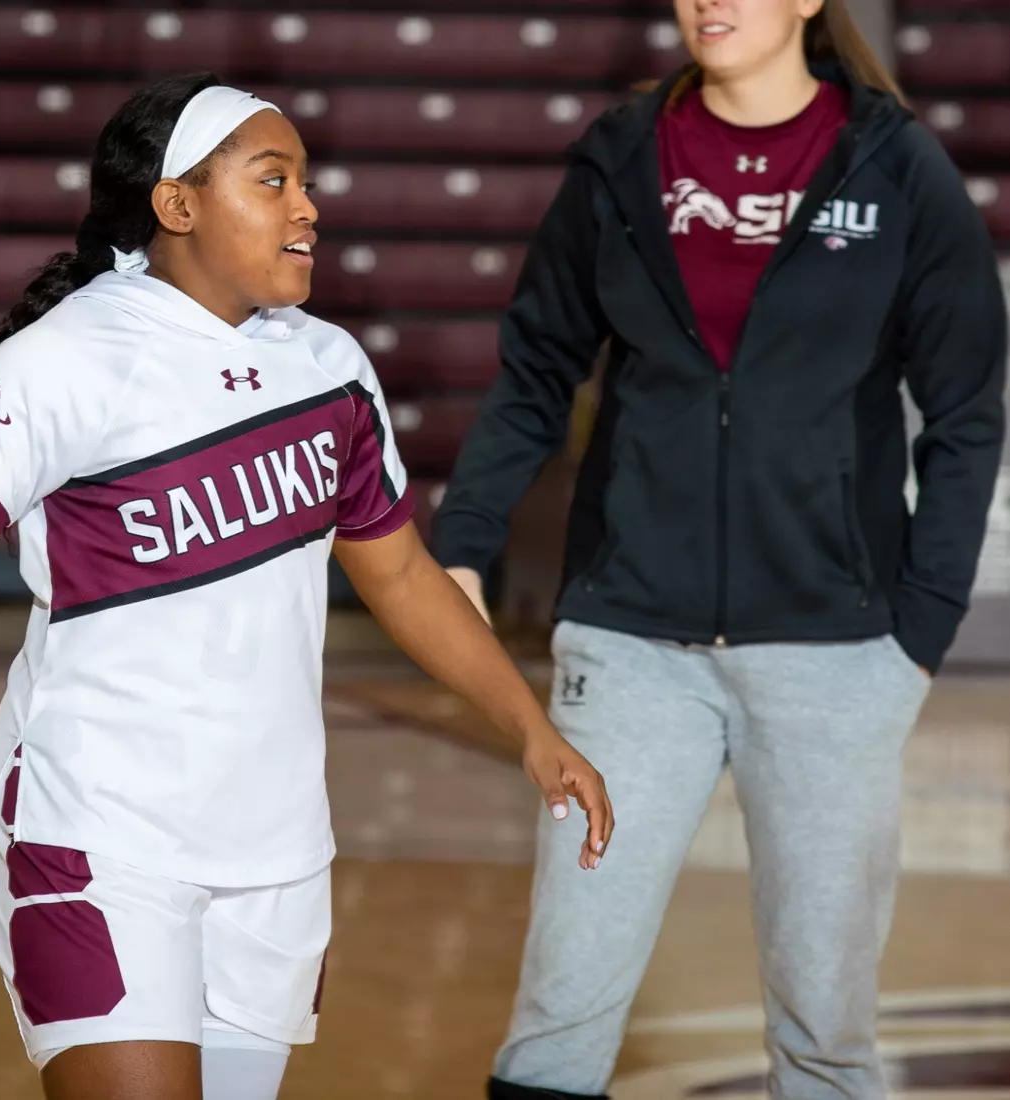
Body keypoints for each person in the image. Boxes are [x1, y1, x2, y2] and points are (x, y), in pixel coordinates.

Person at [0, 73, 614, 1100]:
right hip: (97, 832)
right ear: (176, 205)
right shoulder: (61, 361)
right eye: (272, 181)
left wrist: (526, 726)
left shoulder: (329, 367)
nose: (307, 207)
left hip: (276, 847)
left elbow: (395, 570)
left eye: (304, 182)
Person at [433, 0, 1007, 1096]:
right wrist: (462, 539)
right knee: (561, 1005)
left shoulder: (893, 168)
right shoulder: (619, 159)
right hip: (627, 642)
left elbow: (964, 409)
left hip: (836, 652)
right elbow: (534, 369)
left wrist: (916, 631)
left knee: (823, 1025)